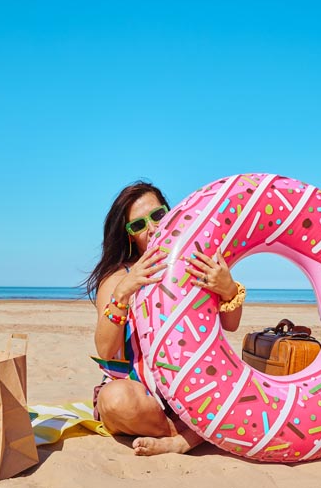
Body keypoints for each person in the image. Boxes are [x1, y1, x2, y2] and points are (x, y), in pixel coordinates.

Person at [85, 181, 245, 455]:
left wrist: (228, 289)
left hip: (194, 386)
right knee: (115, 400)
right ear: (129, 236)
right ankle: (189, 434)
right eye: (138, 225)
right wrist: (123, 293)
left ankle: (182, 440)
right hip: (142, 394)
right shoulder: (119, 276)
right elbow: (105, 349)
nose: (152, 227)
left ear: (171, 213)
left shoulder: (196, 261)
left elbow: (231, 325)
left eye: (158, 215)